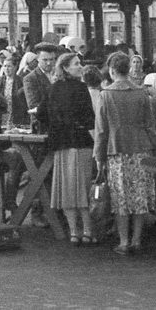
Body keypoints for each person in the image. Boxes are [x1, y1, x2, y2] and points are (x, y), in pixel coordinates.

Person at [94, 52, 156, 255]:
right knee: (139, 197)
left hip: (116, 149)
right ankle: (137, 240)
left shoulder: (106, 94)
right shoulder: (142, 93)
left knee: (120, 198)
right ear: (129, 70)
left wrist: (99, 156)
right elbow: (150, 125)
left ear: (112, 71)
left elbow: (101, 130)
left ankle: (123, 241)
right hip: (141, 148)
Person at [40, 52, 97, 246]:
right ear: (65, 67)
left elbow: (41, 113)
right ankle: (88, 230)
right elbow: (90, 118)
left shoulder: (53, 88)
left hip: (61, 144)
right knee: (83, 189)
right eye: (76, 63)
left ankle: (74, 232)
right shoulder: (82, 88)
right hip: (81, 143)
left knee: (67, 190)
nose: (80, 66)